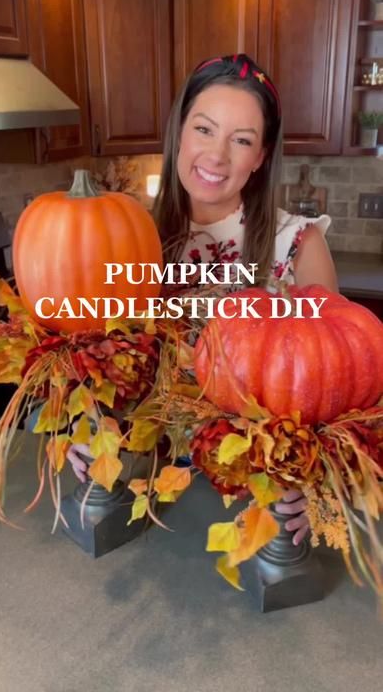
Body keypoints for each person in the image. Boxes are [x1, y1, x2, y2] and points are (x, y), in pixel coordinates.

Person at [67, 53, 338, 546]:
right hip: (147, 501)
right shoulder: (130, 238)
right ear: (179, 133)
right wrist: (88, 427)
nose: (217, 156)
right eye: (205, 129)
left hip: (253, 513)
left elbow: (336, 397)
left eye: (242, 140)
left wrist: (315, 482)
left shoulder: (297, 246)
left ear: (261, 156)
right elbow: (106, 362)